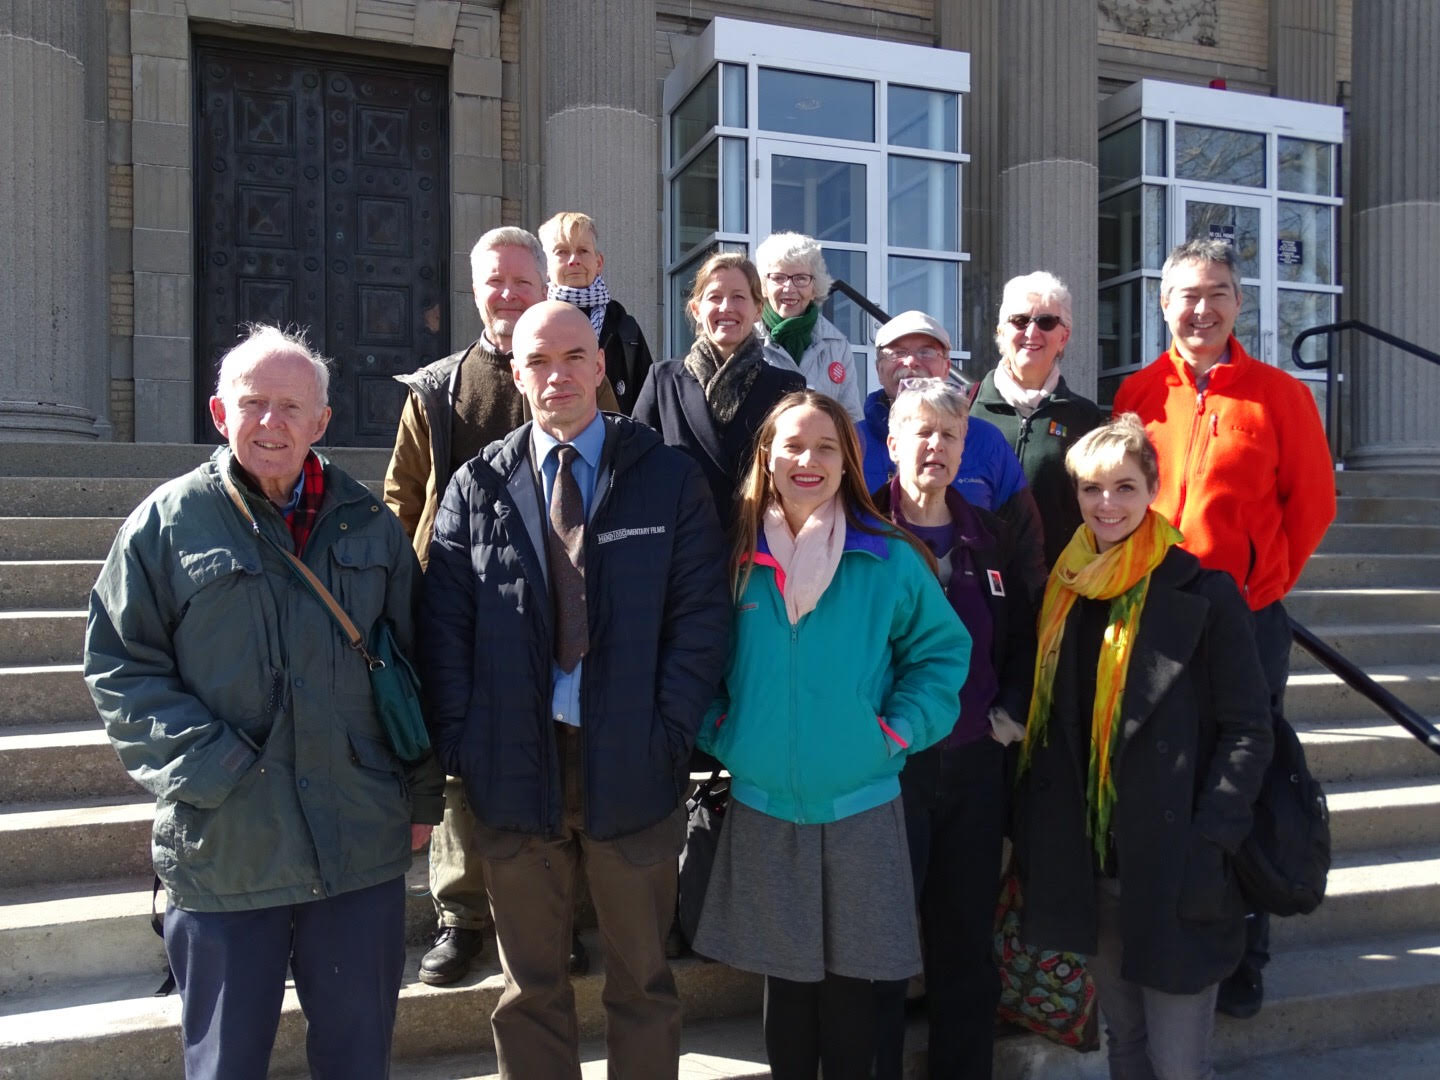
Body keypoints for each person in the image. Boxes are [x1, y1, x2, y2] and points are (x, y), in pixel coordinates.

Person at [84, 326, 444, 1080]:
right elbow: (122, 668)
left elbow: (416, 666)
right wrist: (212, 766)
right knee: (225, 1065)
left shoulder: (372, 526)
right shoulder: (165, 525)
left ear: (322, 422)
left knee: (357, 1060)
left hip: (357, 846)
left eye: (291, 407)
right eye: (254, 404)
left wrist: (419, 795)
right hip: (227, 846)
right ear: (220, 414)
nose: (271, 423)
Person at [420, 301, 731, 1079]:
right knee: (529, 988)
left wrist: (668, 733)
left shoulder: (665, 477)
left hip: (633, 760)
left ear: (600, 366)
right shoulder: (475, 485)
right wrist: (464, 743)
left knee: (644, 984)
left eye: (572, 357)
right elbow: (445, 630)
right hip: (514, 768)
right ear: (516, 374)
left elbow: (700, 621)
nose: (556, 375)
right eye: (537, 362)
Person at [691, 390, 971, 1080]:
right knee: (785, 995)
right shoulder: (732, 557)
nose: (808, 461)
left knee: (854, 997)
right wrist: (723, 732)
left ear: (848, 462)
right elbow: (693, 660)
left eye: (825, 448)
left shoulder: (889, 559)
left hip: (862, 802)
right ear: (767, 457)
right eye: (792, 445)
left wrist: (897, 730)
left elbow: (941, 657)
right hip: (764, 804)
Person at [385, 226, 617, 985]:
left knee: (564, 762)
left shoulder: (580, 369)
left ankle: (570, 915)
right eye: (497, 281)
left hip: (564, 607)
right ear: (475, 287)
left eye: (527, 280)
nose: (512, 294)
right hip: (467, 602)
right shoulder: (438, 387)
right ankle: (463, 916)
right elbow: (403, 497)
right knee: (464, 772)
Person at [1113, 239, 1336, 1019]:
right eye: (1185, 294)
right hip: (1155, 619)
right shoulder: (1138, 393)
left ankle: (1249, 944)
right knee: (1172, 772)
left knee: (1246, 771)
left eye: (1217, 293)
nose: (1200, 309)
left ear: (1239, 303)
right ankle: (1176, 920)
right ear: (1162, 303)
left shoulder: (1279, 396)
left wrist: (1260, 587)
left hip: (1244, 618)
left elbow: (1311, 507)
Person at [1013, 415, 1273, 1080]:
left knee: (1178, 1062)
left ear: (1153, 490)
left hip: (1176, 862)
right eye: (1093, 489)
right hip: (1093, 864)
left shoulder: (1204, 593)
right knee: (1125, 1046)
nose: (1108, 504)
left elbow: (1249, 727)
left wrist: (1212, 837)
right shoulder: (1064, 593)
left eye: (1125, 488)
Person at [870, 379, 1037, 1080]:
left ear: (966, 446)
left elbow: (1026, 629)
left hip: (973, 764)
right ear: (892, 443)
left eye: (949, 434)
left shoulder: (989, 536)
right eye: (921, 431)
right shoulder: (860, 531)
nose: (934, 446)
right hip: (884, 772)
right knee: (877, 944)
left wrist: (1013, 713)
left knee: (965, 943)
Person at [859, 309, 1048, 597]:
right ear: (878, 367)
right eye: (897, 352)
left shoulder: (986, 439)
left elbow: (1024, 540)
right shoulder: (850, 440)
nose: (910, 362)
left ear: (947, 367)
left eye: (926, 352)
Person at [633, 251, 807, 527]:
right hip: (681, 541)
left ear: (758, 309)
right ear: (696, 309)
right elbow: (638, 464)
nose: (726, 307)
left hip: (757, 541)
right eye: (715, 297)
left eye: (739, 297)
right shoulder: (662, 379)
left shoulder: (787, 386)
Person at [970, 271, 1107, 567]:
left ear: (1064, 336)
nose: (1031, 333)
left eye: (1046, 322)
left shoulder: (1087, 419)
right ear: (1001, 332)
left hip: (1058, 587)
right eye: (1019, 320)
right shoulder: (964, 409)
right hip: (973, 589)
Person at [538, 210, 654, 414]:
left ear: (598, 262)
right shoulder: (534, 322)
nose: (574, 260)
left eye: (583, 250)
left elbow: (647, 402)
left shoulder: (624, 327)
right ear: (547, 266)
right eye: (562, 252)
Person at [754, 231, 863, 420]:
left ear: (815, 287)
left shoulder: (836, 344)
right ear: (764, 285)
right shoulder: (746, 338)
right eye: (779, 278)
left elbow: (850, 419)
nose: (789, 288)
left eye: (801, 278)